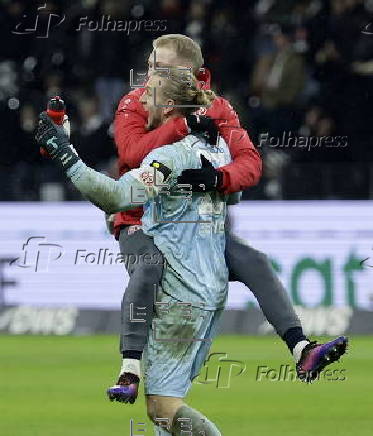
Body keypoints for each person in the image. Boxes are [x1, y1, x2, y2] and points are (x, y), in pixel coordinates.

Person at [111, 33, 348, 396]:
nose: (149, 74)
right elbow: (130, 153)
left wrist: (219, 178)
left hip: (198, 229)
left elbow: (251, 164)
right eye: (149, 65)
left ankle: (302, 349)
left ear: (190, 72)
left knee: (255, 262)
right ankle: (129, 371)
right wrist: (183, 126)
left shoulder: (218, 108)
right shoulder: (136, 102)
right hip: (140, 221)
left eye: (159, 66)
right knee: (148, 265)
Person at [36, 68, 234, 436]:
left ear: (169, 105)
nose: (141, 98)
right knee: (170, 406)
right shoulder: (217, 146)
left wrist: (66, 154)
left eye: (150, 93)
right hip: (213, 288)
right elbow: (234, 192)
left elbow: (116, 197)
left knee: (162, 408)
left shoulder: (171, 156)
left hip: (181, 294)